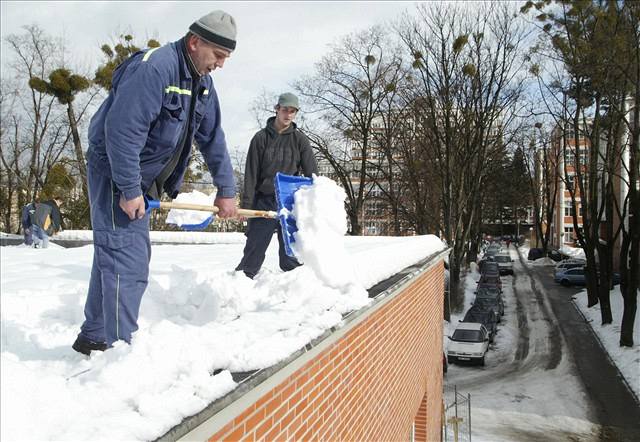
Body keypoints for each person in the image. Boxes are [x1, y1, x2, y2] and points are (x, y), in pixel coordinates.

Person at [72, 10, 239, 356]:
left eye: (226, 58)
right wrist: (130, 189)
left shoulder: (202, 83)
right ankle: (119, 354)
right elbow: (122, 133)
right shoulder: (154, 69)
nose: (221, 64)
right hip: (117, 171)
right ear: (195, 42)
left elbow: (213, 139)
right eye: (218, 55)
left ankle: (94, 336)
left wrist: (226, 190)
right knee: (127, 260)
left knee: (116, 254)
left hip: (141, 177)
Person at [235, 93, 318, 279]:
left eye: (292, 111)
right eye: (285, 110)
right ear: (277, 109)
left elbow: (313, 175)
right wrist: (246, 206)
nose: (288, 115)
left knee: (291, 257)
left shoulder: (300, 141)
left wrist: (313, 205)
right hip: (264, 201)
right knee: (253, 252)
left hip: (289, 203)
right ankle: (239, 286)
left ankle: (298, 292)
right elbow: (251, 174)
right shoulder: (260, 138)